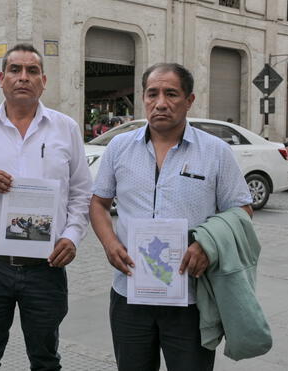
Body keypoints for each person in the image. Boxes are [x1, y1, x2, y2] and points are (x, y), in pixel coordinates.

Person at [89, 63, 253, 371]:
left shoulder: (215, 152)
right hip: (129, 293)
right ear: (143, 98)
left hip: (190, 296)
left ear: (189, 101)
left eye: (171, 94)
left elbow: (242, 210)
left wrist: (208, 244)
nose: (160, 102)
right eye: (153, 94)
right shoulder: (119, 148)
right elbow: (98, 203)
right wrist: (110, 244)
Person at [0, 43, 92, 370]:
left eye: (31, 71)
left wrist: (71, 236)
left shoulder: (65, 128)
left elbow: (81, 193)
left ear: (44, 80)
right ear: (1, 78)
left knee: (45, 360)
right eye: (15, 70)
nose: (23, 77)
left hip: (46, 268)